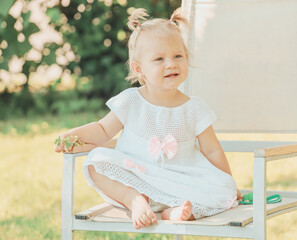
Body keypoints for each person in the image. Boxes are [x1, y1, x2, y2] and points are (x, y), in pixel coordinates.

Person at [54, 8, 241, 230]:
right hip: (138, 179)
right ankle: (135, 201)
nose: (170, 64)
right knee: (95, 161)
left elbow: (212, 151)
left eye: (177, 56)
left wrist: (227, 182)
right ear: (139, 69)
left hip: (180, 183)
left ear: (186, 58)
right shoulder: (131, 101)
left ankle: (173, 212)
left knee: (221, 191)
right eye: (159, 59)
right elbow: (102, 131)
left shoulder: (194, 108)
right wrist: (72, 136)